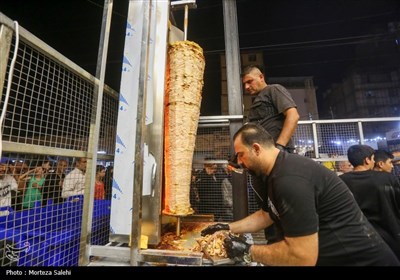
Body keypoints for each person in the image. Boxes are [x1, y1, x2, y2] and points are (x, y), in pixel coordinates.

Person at [201, 123, 399, 266]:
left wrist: (247, 251)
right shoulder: (275, 172)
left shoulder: (289, 178)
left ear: (256, 148)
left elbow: (301, 257)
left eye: (241, 155)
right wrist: (227, 227)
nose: (240, 163)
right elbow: (267, 214)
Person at [339, 145, 400, 260]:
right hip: (391, 234)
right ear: (367, 160)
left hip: (359, 239)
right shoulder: (387, 178)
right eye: (372, 159)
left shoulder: (341, 181)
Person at [242, 65, 299, 153]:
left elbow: (293, 115)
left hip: (275, 151)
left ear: (261, 77)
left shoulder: (273, 89)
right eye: (244, 84)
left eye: (250, 81)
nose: (246, 87)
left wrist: (280, 146)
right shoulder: (258, 98)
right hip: (263, 150)